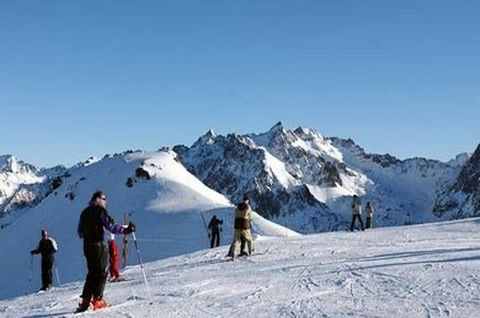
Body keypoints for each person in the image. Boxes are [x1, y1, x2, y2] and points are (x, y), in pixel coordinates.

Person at [76, 191, 135, 312]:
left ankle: (85, 301)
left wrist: (89, 230)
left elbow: (80, 233)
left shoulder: (84, 212)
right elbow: (111, 226)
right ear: (97, 199)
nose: (105, 201)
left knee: (92, 272)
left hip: (87, 246)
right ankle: (97, 300)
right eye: (104, 199)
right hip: (98, 245)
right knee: (102, 272)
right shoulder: (100, 211)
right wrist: (127, 230)